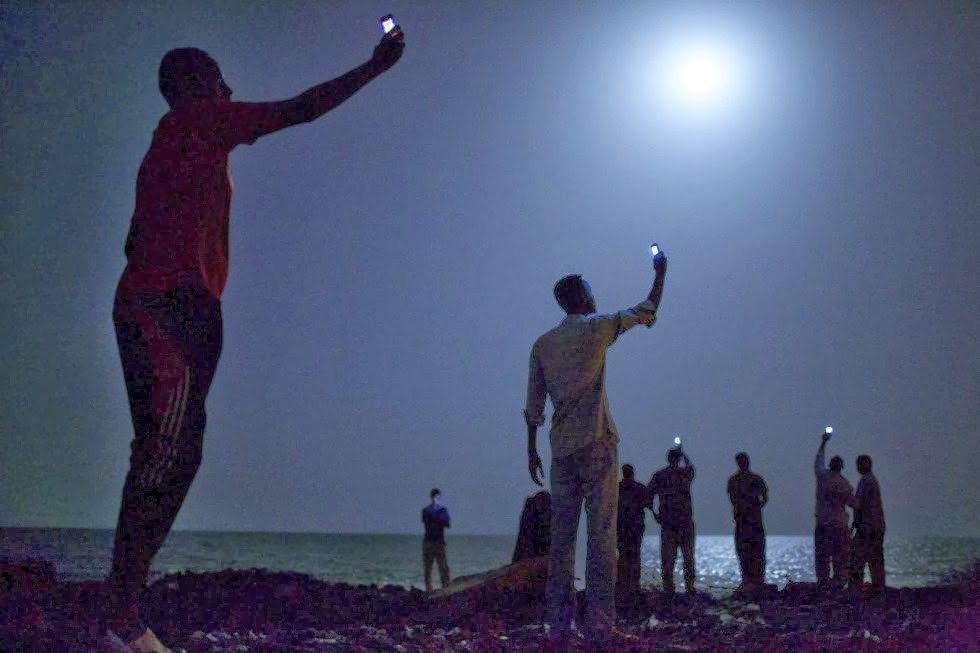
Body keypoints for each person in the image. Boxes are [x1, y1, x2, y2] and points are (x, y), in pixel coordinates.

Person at [104, 27, 405, 653]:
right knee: (164, 451)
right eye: (219, 76)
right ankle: (118, 613)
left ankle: (123, 604)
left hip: (173, 303)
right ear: (194, 85)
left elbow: (133, 239)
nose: (229, 88)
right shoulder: (198, 122)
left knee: (176, 453)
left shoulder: (171, 148)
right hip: (168, 307)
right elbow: (294, 110)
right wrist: (373, 69)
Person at [523, 252, 668, 643]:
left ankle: (559, 626)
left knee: (561, 542)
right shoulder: (597, 328)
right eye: (590, 291)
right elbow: (647, 309)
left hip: (561, 450)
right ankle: (600, 624)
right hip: (597, 442)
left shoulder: (543, 344)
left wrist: (531, 451)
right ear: (583, 298)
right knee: (602, 537)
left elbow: (533, 408)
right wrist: (661, 273)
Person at [648, 445, 696, 595]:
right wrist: (684, 454)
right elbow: (691, 467)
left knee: (669, 559)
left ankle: (670, 589)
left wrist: (654, 514)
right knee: (687, 558)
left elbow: (647, 496)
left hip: (670, 523)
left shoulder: (660, 475)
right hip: (683, 522)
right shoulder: (684, 473)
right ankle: (688, 587)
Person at [813, 431, 856, 588]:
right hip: (839, 525)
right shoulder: (844, 484)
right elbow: (854, 504)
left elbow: (818, 460)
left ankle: (823, 583)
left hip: (823, 523)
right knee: (840, 557)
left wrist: (824, 442)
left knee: (822, 557)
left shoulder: (822, 477)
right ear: (841, 467)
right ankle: (838, 583)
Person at [727, 452, 768, 589]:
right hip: (749, 522)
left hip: (746, 522)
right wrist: (756, 507)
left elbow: (732, 499)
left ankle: (751, 582)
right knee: (753, 553)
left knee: (748, 553)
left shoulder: (734, 480)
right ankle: (753, 582)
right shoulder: (753, 479)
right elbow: (765, 497)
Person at [850, 454, 886, 591]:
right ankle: (878, 586)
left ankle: (856, 588)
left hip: (868, 527)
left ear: (867, 464)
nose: (858, 467)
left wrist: (855, 526)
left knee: (857, 557)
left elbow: (859, 505)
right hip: (875, 526)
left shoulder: (866, 481)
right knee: (875, 558)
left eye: (860, 464)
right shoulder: (870, 480)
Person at [616, 463, 651, 597]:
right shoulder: (640, 488)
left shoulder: (617, 488)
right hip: (634, 527)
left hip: (622, 527)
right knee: (634, 555)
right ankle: (633, 586)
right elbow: (648, 503)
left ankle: (623, 584)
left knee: (623, 555)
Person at [421, 488, 452, 592]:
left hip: (433, 542)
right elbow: (446, 524)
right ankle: (441, 589)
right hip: (434, 542)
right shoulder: (438, 510)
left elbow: (447, 524)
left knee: (437, 568)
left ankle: (439, 589)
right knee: (436, 568)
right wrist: (439, 518)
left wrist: (437, 518)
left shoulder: (430, 511)